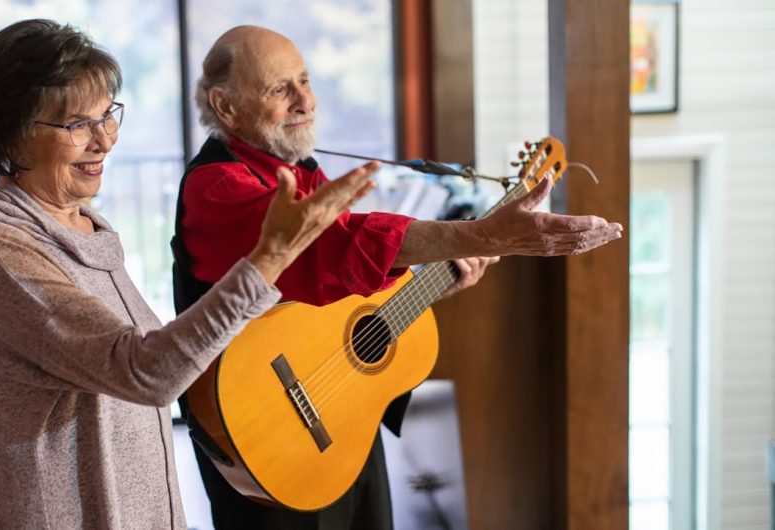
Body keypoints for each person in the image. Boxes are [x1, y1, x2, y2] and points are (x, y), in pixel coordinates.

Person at [0, 19, 378, 530]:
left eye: (108, 117)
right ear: (15, 132)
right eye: (77, 125)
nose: (104, 141)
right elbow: (148, 373)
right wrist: (269, 259)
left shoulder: (85, 228)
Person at [174, 25, 623, 530]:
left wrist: (438, 277)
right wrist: (480, 237)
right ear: (226, 106)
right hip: (267, 440)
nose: (306, 100)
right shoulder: (217, 186)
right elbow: (329, 248)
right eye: (280, 89)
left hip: (342, 421)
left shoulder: (304, 170)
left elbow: (333, 295)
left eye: (304, 80)